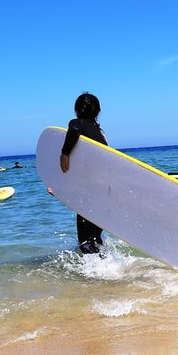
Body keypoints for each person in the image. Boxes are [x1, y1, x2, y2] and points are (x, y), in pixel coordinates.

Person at [60, 92, 108, 254]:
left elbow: (73, 130)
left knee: (85, 240)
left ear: (78, 109)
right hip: (104, 189)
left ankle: (94, 275)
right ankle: (104, 266)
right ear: (98, 111)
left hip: (89, 190)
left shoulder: (77, 123)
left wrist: (65, 153)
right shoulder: (99, 132)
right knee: (96, 235)